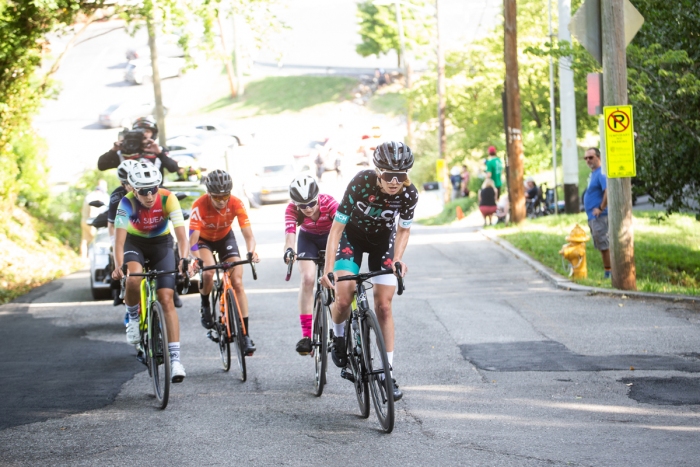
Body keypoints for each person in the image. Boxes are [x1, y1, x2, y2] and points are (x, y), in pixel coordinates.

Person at [320, 141, 419, 402]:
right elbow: (336, 230)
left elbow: (403, 229)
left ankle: (386, 373)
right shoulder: (361, 182)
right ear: (378, 171)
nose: (395, 182)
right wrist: (329, 269)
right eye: (389, 175)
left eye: (401, 175)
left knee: (384, 306)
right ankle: (339, 337)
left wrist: (398, 258)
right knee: (343, 297)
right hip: (351, 239)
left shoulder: (409, 194)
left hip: (382, 242)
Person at [111, 162, 190, 383]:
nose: (149, 195)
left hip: (161, 245)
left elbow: (182, 237)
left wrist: (183, 258)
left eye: (153, 188)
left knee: (166, 298)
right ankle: (133, 319)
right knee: (133, 278)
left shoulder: (168, 198)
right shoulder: (125, 204)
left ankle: (175, 361)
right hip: (133, 244)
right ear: (133, 190)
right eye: (143, 191)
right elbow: (118, 242)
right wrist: (119, 265)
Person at [189, 170, 260, 355]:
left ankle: (244, 335)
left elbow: (248, 235)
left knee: (237, 281)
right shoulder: (199, 205)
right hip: (203, 241)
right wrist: (196, 258)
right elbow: (192, 240)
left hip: (225, 238)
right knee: (209, 272)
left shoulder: (236, 203)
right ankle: (205, 303)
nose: (221, 201)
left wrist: (251, 251)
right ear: (209, 194)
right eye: (217, 197)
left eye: (225, 196)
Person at [283, 175, 338, 355]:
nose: (307, 208)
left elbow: (343, 231)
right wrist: (289, 251)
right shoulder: (291, 209)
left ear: (317, 197)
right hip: (308, 240)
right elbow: (290, 237)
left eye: (311, 203)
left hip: (332, 238)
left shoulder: (329, 203)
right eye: (302, 205)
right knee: (307, 279)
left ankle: (340, 333)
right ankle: (307, 335)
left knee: (337, 280)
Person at [97, 117, 180, 183]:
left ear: (153, 134)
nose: (144, 134)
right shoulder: (124, 151)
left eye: (147, 131)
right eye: (140, 131)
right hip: (129, 192)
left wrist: (159, 153)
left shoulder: (159, 150)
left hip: (155, 191)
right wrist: (113, 150)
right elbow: (102, 166)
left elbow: (173, 168)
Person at [107, 160, 139, 306]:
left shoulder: (148, 189)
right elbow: (112, 225)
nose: (133, 187)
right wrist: (115, 244)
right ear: (122, 184)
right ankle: (120, 288)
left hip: (145, 234)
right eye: (128, 184)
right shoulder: (116, 197)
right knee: (117, 254)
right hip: (124, 233)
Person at [583, 147, 611, 279]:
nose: (588, 160)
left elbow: (607, 191)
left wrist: (601, 207)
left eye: (591, 157)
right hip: (593, 217)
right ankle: (608, 270)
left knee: (604, 245)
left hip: (601, 216)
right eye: (586, 158)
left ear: (598, 157)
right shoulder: (593, 173)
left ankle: (609, 273)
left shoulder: (601, 173)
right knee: (601, 244)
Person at [80, 180, 109, 258]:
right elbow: (93, 211)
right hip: (91, 221)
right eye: (105, 186)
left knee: (85, 240)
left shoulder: (91, 195)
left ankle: (83, 258)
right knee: (96, 240)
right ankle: (92, 258)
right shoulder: (97, 196)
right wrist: (94, 222)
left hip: (85, 220)